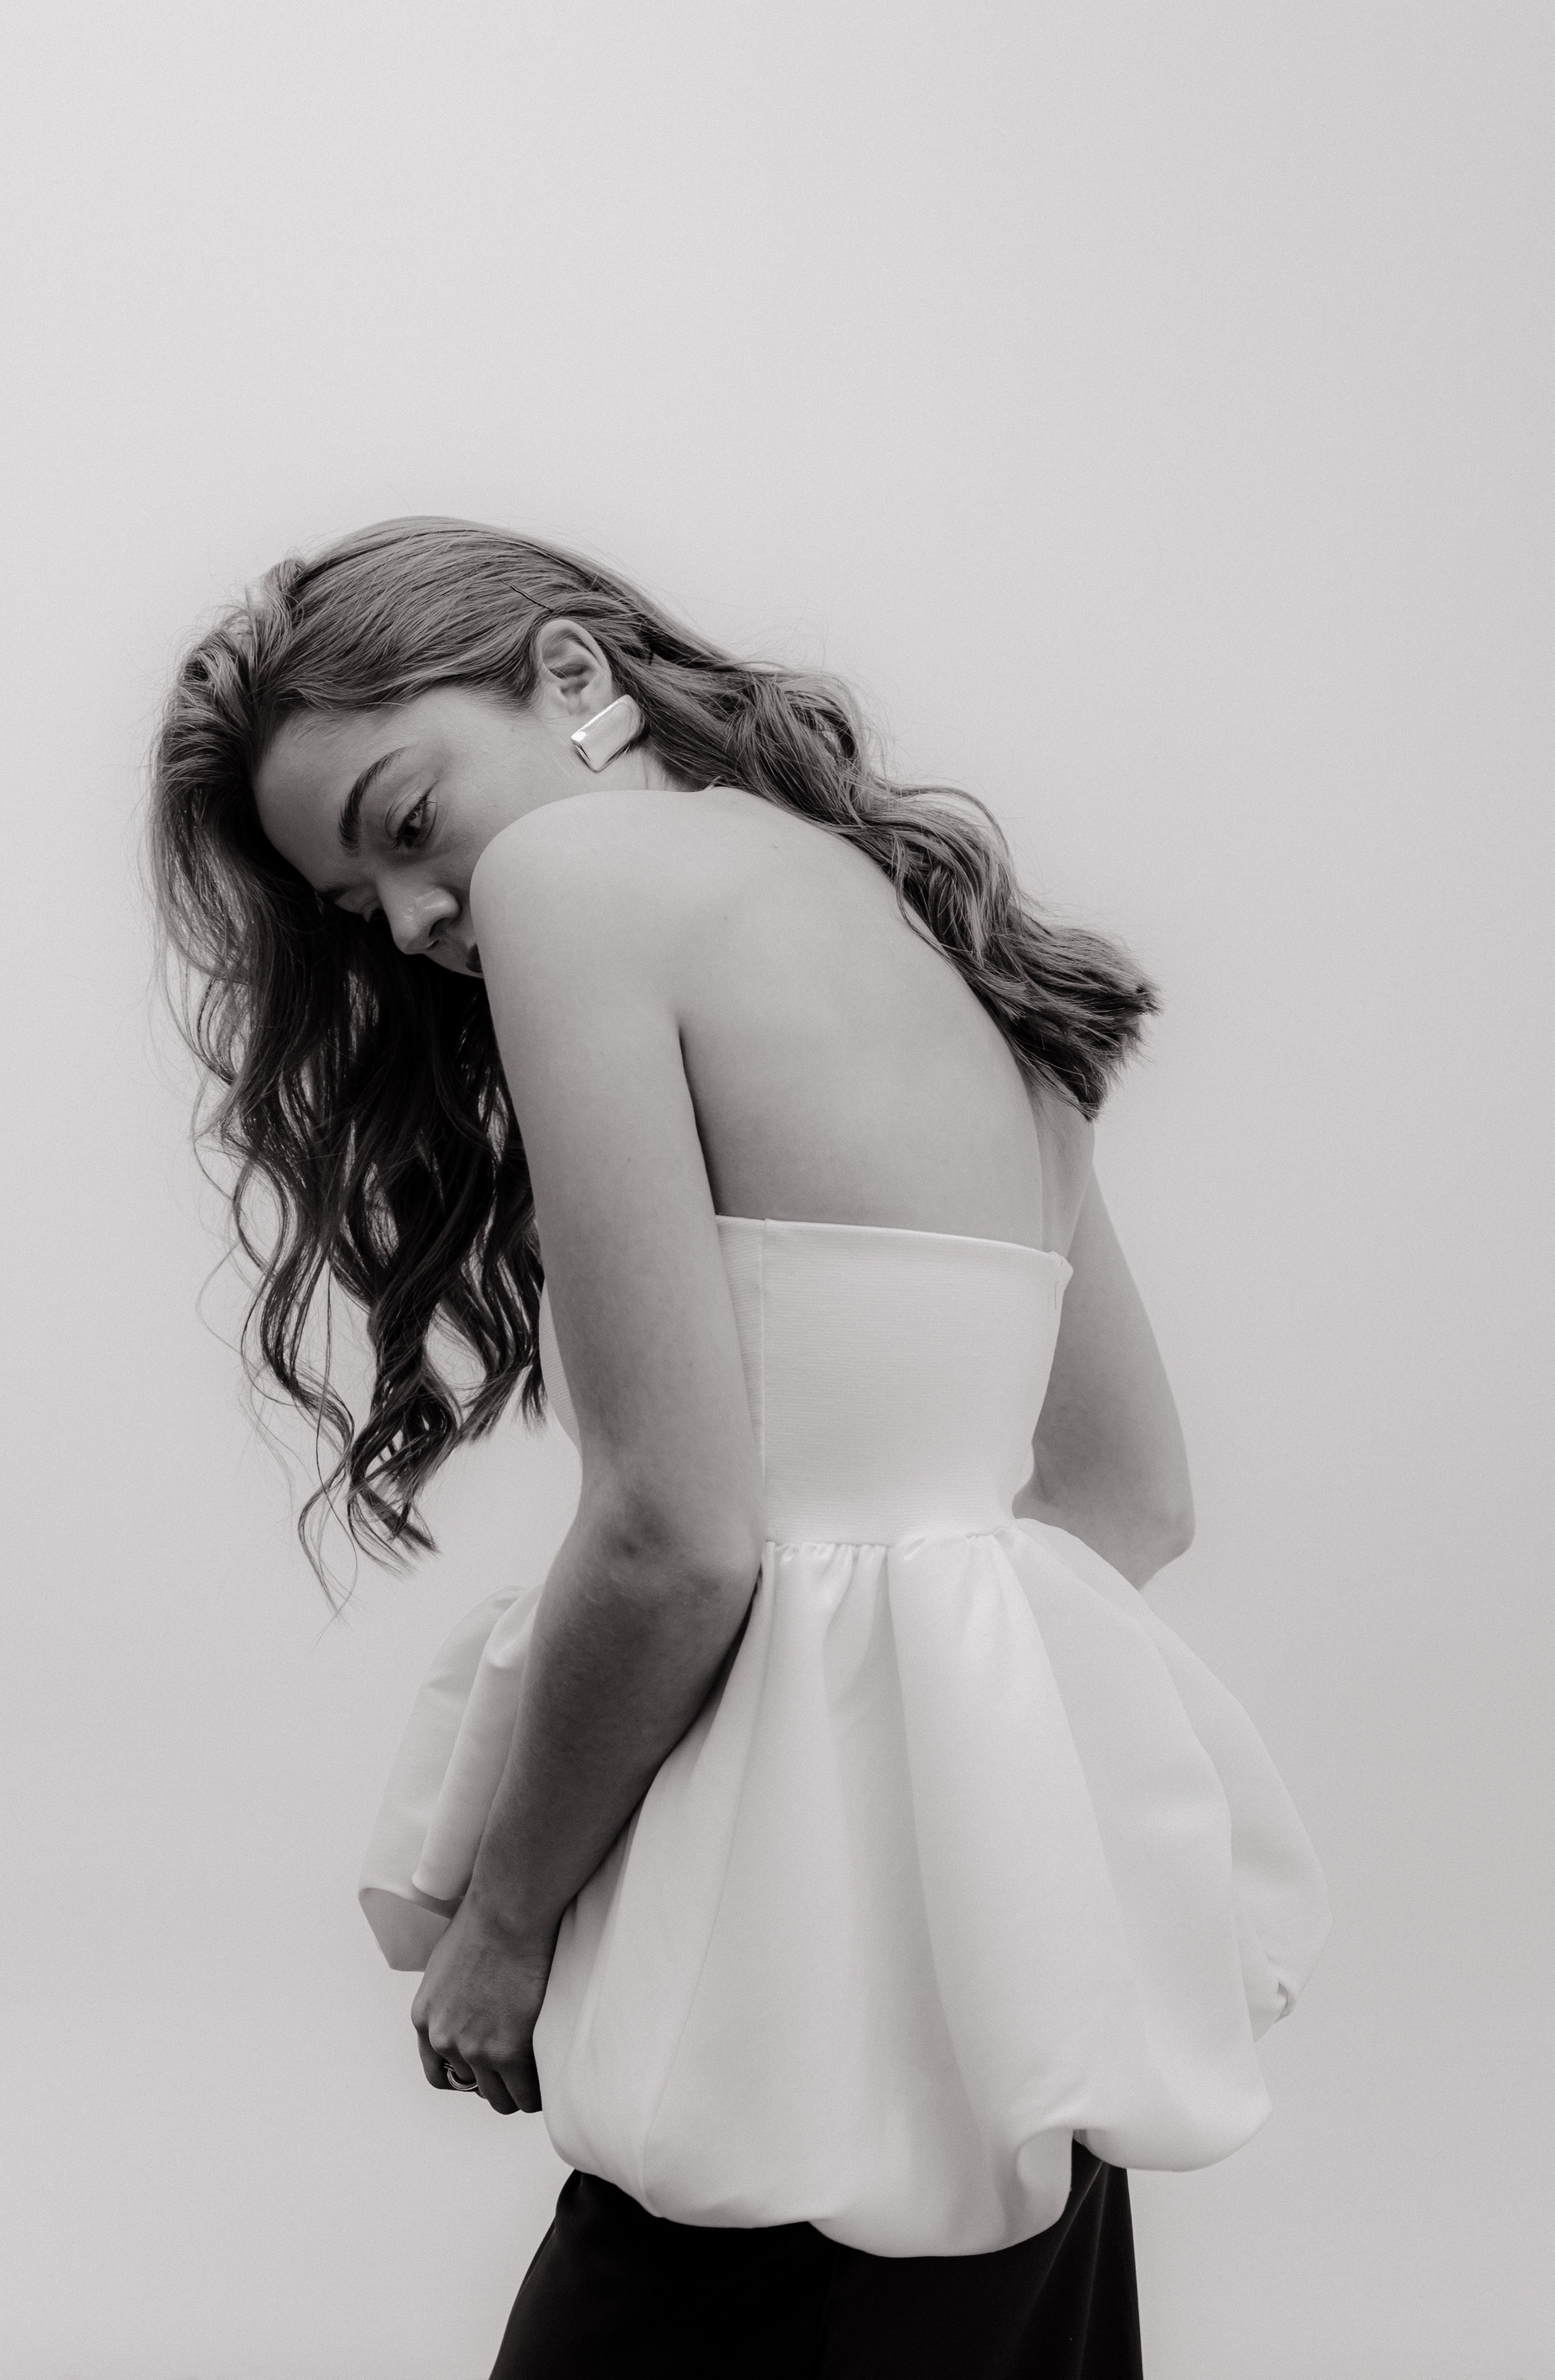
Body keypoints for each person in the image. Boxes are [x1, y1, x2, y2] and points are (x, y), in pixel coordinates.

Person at [147, 516, 1330, 2378]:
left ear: (570, 673)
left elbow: (673, 1535)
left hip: (789, 2045)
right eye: (358, 907)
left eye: (407, 823)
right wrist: (935, 1772)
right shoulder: (942, 934)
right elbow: (1130, 1496)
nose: (419, 918)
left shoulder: (576, 879)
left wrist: (506, 1926)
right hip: (1015, 2015)